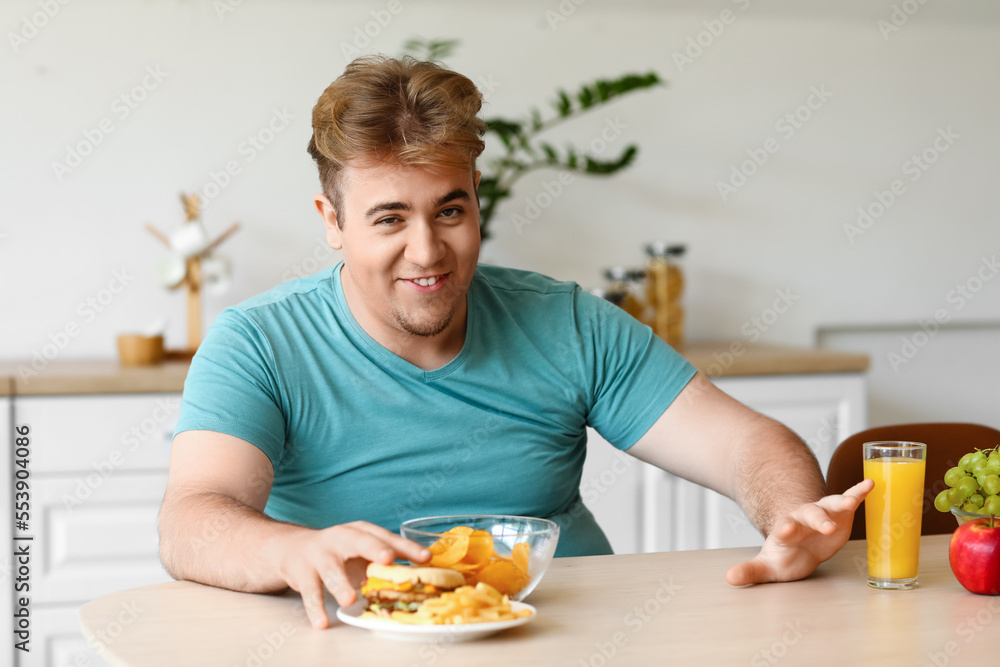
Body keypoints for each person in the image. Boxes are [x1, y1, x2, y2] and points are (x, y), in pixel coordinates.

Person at [158, 55, 873, 630]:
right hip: (354, 641)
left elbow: (747, 444)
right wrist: (293, 548)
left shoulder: (563, 321)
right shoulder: (258, 342)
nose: (427, 251)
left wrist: (790, 518)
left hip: (568, 637)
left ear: (477, 195)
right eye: (388, 219)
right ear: (332, 219)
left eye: (450, 209)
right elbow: (192, 519)